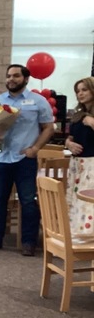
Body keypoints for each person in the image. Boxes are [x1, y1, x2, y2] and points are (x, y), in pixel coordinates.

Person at [0, 64, 54, 256]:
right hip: (1, 157)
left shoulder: (38, 101)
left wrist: (36, 148)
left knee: (28, 201)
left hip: (24, 158)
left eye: (15, 76)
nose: (10, 79)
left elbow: (48, 127)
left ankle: (28, 242)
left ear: (26, 79)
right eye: (8, 76)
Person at [64, 77, 94, 236]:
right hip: (77, 163)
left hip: (92, 164)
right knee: (75, 198)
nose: (80, 94)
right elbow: (70, 137)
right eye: (78, 91)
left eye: (84, 90)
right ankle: (75, 233)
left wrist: (91, 121)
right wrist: (69, 144)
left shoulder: (88, 117)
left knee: (87, 199)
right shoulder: (78, 115)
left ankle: (88, 235)